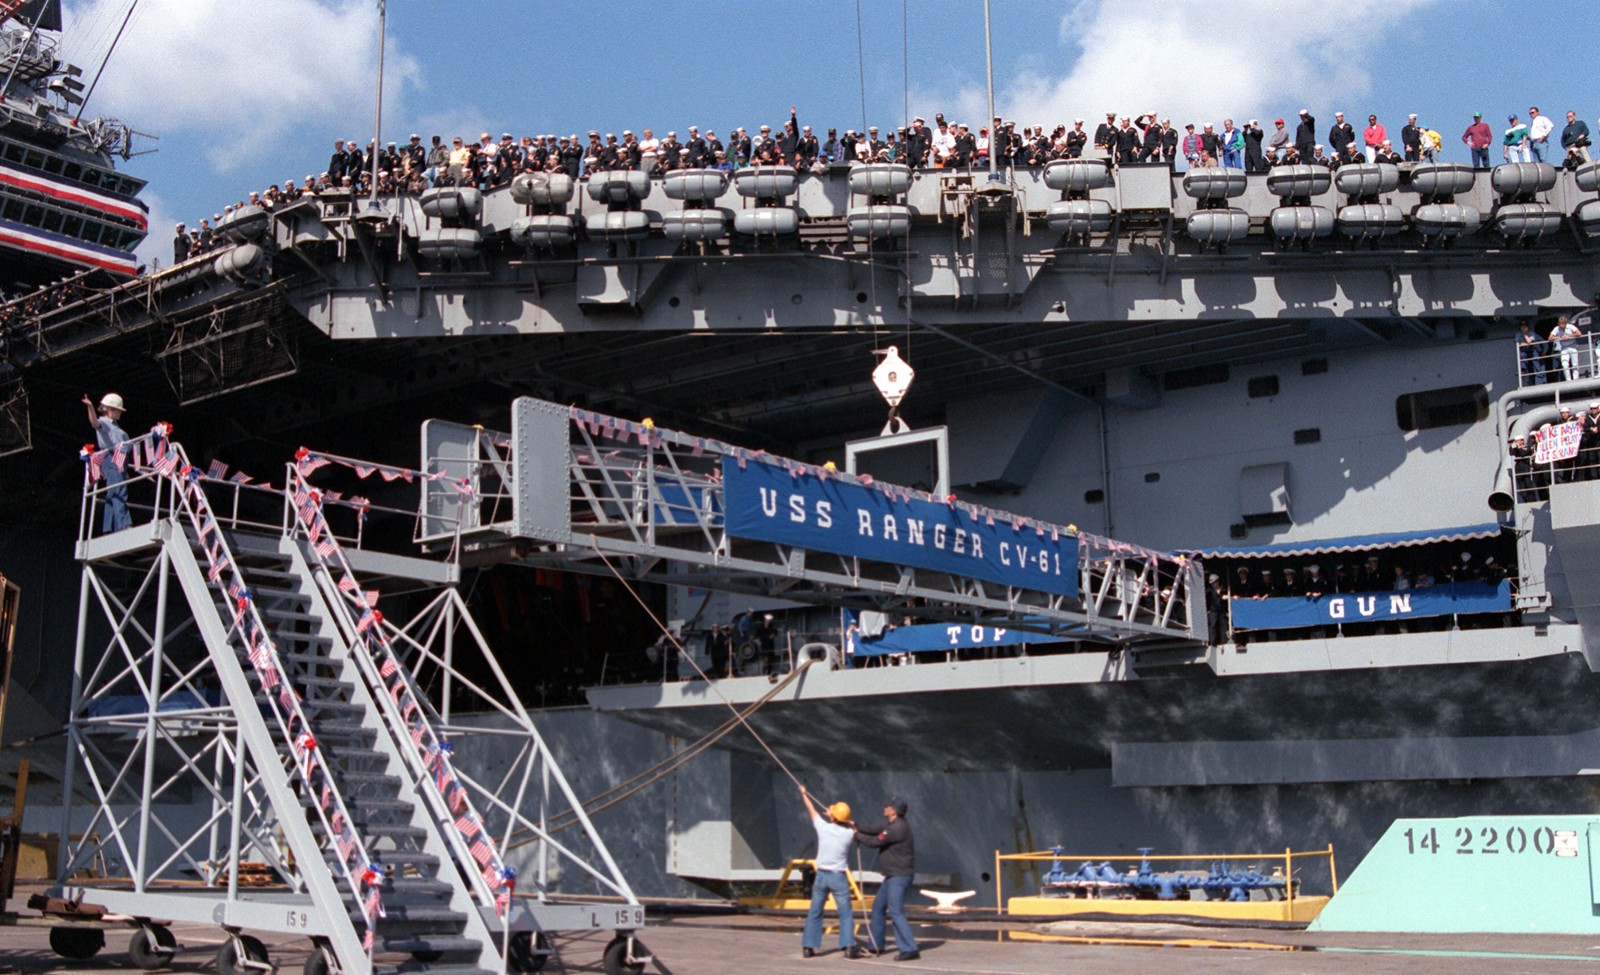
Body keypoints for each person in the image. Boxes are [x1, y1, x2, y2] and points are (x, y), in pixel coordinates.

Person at [798, 785, 861, 960]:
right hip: (838, 877)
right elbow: (855, 829)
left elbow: (811, 809)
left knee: (815, 911)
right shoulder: (848, 834)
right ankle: (848, 947)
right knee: (845, 913)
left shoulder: (823, 827)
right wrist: (843, 819)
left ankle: (808, 946)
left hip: (822, 876)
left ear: (833, 817)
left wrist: (804, 794)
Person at [855, 797, 918, 961]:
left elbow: (876, 841)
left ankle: (910, 949)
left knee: (895, 911)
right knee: (878, 908)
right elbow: (873, 829)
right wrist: (853, 824)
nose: (885, 807)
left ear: (894, 811)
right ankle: (876, 946)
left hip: (899, 876)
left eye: (888, 806)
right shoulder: (892, 825)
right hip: (892, 876)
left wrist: (856, 836)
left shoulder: (897, 828)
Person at [83, 392, 131, 532]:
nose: (120, 413)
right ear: (111, 410)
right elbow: (94, 423)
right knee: (119, 491)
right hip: (111, 458)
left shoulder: (118, 428)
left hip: (120, 461)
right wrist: (90, 407)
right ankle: (123, 523)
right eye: (119, 410)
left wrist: (124, 469)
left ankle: (109, 527)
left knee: (113, 492)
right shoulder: (104, 423)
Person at [1550, 315, 1582, 382]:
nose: (1561, 326)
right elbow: (1550, 338)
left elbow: (1579, 333)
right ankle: (1568, 380)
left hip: (1573, 346)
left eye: (1563, 324)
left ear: (1566, 323)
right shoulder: (1557, 329)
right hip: (1564, 348)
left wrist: (1569, 336)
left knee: (1575, 364)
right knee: (1564, 364)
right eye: (1560, 324)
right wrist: (1560, 337)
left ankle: (1576, 379)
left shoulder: (1570, 327)